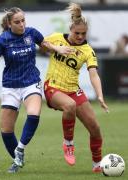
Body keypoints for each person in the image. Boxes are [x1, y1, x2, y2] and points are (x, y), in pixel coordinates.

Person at [0, 7, 70, 173]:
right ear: (9, 24)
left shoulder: (31, 33)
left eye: (23, 20)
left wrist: (57, 49)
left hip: (31, 82)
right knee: (6, 131)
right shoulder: (3, 39)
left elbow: (45, 44)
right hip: (10, 86)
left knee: (34, 113)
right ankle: (17, 160)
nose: (21, 24)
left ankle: (20, 149)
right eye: (17, 22)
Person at [43, 3, 109, 173]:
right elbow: (41, 44)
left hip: (73, 89)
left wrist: (100, 95)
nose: (80, 36)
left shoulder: (88, 51)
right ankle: (68, 144)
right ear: (71, 29)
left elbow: (93, 74)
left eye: (83, 33)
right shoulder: (57, 37)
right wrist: (54, 47)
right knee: (70, 105)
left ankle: (97, 164)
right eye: (77, 33)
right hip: (53, 86)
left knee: (95, 128)